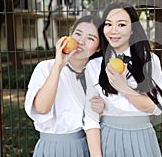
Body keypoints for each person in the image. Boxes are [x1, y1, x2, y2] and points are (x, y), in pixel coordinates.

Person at [89, 1, 162, 157]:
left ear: (133, 30)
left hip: (141, 137)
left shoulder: (150, 61)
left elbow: (154, 107)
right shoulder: (94, 66)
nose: (114, 30)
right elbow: (89, 116)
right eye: (108, 24)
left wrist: (123, 87)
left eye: (122, 25)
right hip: (107, 137)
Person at [25, 15, 103, 157]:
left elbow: (95, 120)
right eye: (78, 34)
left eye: (90, 38)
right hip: (49, 148)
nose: (81, 41)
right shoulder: (45, 68)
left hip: (82, 146)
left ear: (98, 48)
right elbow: (42, 108)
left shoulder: (96, 74)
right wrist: (58, 66)